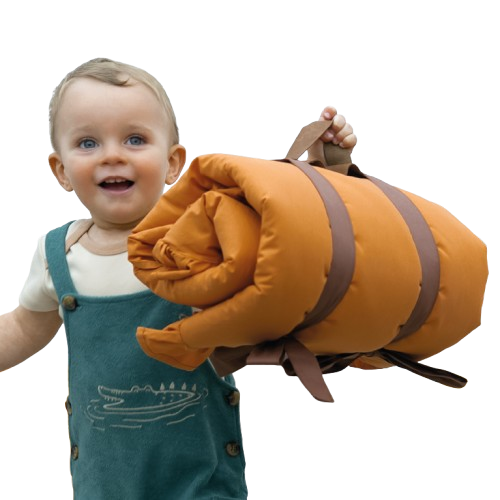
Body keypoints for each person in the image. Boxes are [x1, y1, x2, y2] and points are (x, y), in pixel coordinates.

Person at [0, 57, 356, 499]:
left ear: (173, 164)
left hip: (201, 481)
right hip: (104, 483)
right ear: (61, 171)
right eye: (88, 142)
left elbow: (297, 253)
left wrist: (327, 170)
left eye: (135, 139)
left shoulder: (204, 237)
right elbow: (22, 328)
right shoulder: (59, 255)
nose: (112, 154)